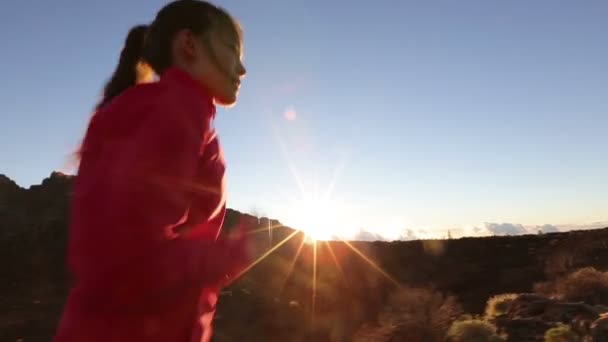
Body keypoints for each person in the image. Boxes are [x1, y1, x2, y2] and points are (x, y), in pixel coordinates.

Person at [54, 1, 248, 341]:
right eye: (233, 49)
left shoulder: (154, 108)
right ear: (189, 44)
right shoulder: (176, 113)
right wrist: (230, 255)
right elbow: (128, 256)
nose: (242, 68)